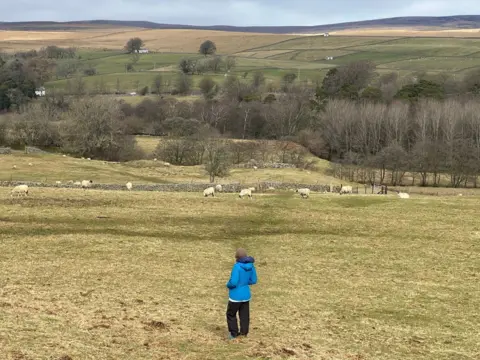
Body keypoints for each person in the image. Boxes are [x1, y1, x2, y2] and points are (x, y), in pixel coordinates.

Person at [226, 248, 257, 339]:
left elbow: (234, 282)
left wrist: (228, 285)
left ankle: (233, 333)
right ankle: (244, 333)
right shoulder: (251, 266)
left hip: (235, 296)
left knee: (231, 314)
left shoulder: (237, 267)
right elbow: (253, 280)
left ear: (237, 258)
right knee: (244, 315)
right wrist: (245, 283)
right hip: (246, 295)